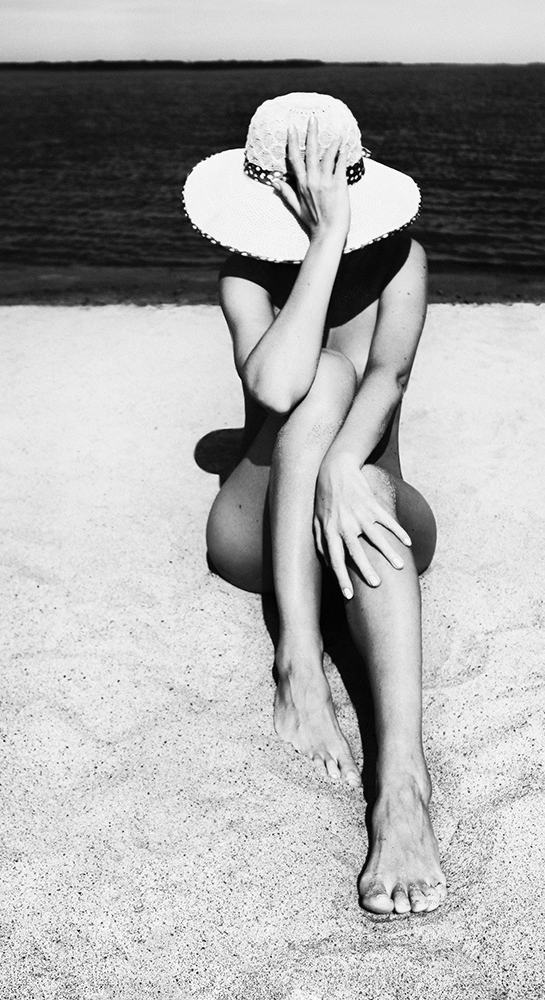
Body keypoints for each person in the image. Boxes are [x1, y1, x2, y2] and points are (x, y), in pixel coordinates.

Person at [183, 92, 446, 915]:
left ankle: (400, 785)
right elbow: (275, 385)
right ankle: (298, 661)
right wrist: (327, 241)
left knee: (367, 480)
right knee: (323, 374)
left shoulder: (403, 261)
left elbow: (388, 382)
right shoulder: (245, 274)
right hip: (259, 534)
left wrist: (338, 468)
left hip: (371, 509)